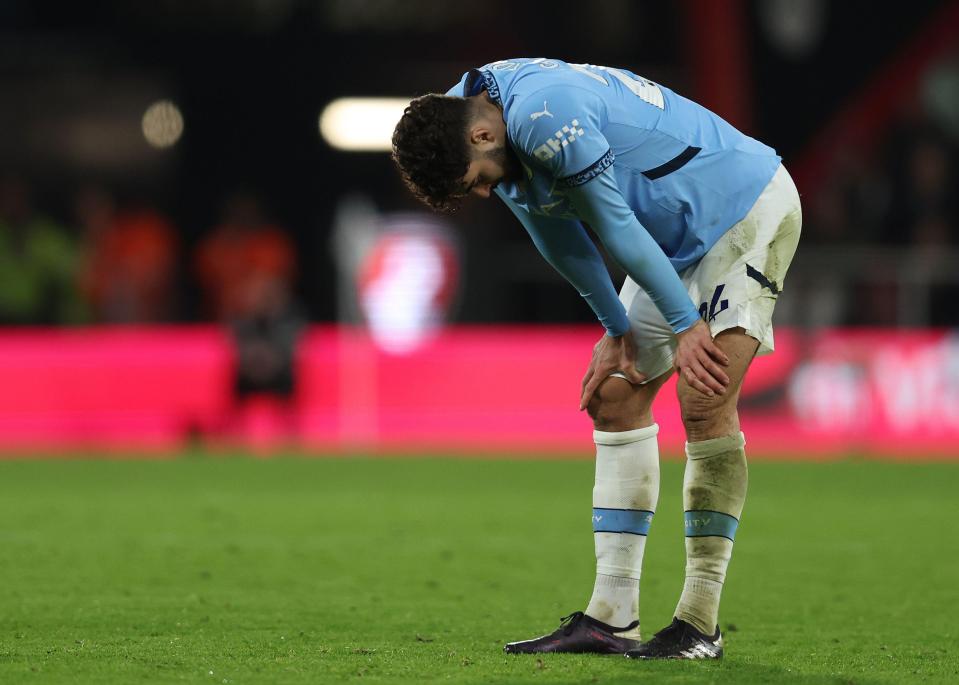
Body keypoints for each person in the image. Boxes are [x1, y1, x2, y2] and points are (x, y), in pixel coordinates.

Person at [391, 57, 801, 660]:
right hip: (672, 239)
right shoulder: (469, 117)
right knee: (614, 396)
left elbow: (611, 221)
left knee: (704, 397)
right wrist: (615, 326)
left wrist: (687, 326)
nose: (484, 191)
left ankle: (699, 623)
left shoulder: (543, 113)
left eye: (477, 179)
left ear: (483, 136)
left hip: (742, 206)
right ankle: (612, 617)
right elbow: (557, 235)